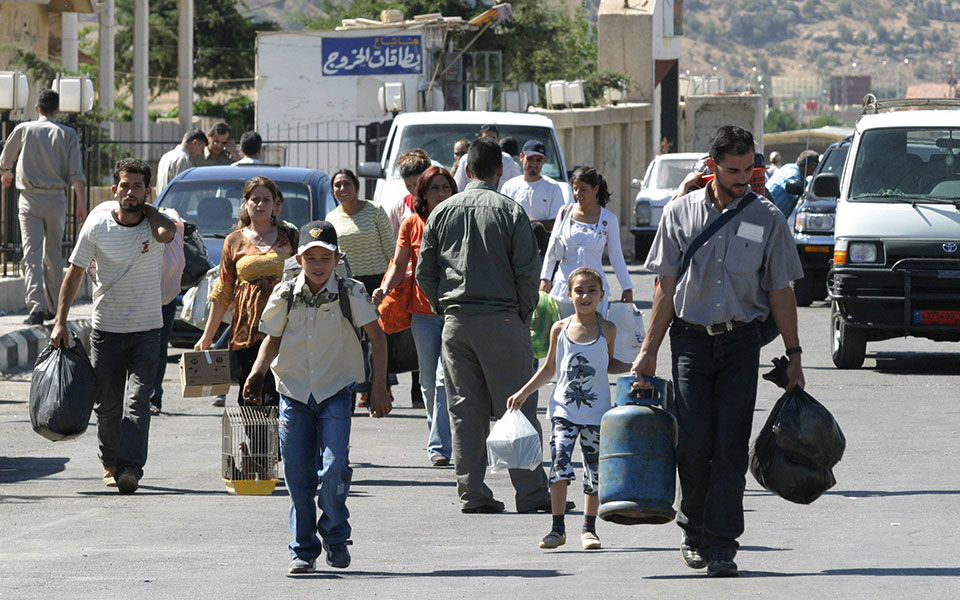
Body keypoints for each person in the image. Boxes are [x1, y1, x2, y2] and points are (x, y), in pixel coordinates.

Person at [632, 125, 805, 578]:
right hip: (688, 342)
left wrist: (796, 356)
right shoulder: (680, 213)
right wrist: (648, 351)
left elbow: (781, 292)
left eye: (749, 169)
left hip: (740, 343)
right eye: (733, 170)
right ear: (712, 167)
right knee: (692, 446)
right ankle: (693, 531)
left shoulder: (768, 218)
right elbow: (665, 289)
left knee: (729, 447)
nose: (742, 177)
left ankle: (723, 544)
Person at [242, 220, 392, 575]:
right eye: (312, 258)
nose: (318, 265)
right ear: (299, 258)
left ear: (338, 258)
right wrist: (257, 371)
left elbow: (379, 338)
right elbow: (272, 338)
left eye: (326, 257)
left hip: (335, 389)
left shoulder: (351, 292)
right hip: (293, 391)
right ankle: (303, 549)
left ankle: (336, 535)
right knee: (297, 475)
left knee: (335, 465)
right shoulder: (285, 294)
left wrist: (379, 387)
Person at [416, 136, 551, 514]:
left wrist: (445, 308)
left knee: (464, 410)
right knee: (518, 405)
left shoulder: (441, 213)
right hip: (503, 320)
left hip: (457, 322)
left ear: (468, 170)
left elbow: (425, 273)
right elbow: (528, 271)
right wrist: (521, 314)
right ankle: (531, 492)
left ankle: (472, 493)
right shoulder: (510, 211)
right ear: (499, 171)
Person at [50, 158, 176, 494]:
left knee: (137, 402)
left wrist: (150, 210)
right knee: (106, 407)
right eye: (125, 185)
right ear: (113, 189)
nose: (130, 191)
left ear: (147, 191)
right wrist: (59, 322)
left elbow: (168, 234)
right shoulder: (97, 225)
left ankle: (131, 469)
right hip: (106, 332)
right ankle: (109, 462)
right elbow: (75, 273)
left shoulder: (155, 224)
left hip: (147, 332)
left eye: (137, 186)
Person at [507, 267, 631, 550]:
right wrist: (524, 392)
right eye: (579, 290)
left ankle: (589, 528)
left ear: (601, 296)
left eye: (592, 291)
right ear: (569, 293)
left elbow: (608, 364)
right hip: (563, 410)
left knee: (594, 471)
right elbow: (550, 368)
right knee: (559, 466)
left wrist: (633, 368)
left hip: (597, 412)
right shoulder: (559, 329)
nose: (585, 296)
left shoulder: (607, 329)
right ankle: (557, 528)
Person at [372, 166, 456, 466]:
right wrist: (384, 288)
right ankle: (441, 439)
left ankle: (440, 445)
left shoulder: (459, 220)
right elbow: (398, 264)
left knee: (445, 379)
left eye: (445, 187)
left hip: (454, 313)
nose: (440, 193)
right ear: (422, 193)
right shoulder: (411, 224)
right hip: (422, 314)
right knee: (429, 381)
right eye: (434, 188)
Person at [195, 176, 298, 410]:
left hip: (285, 330)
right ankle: (256, 446)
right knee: (250, 396)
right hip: (246, 332)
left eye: (266, 200)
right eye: (255, 199)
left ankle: (279, 447)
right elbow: (223, 290)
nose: (260, 205)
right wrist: (208, 336)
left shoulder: (289, 236)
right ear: (245, 203)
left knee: (279, 398)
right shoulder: (234, 241)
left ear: (275, 204)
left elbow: (303, 277)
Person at [0, 89, 87, 325]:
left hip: (29, 198)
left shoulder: (23, 129)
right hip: (57, 198)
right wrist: (81, 203)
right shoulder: (67, 134)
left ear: (36, 109)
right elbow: (76, 172)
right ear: (57, 110)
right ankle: (55, 307)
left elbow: (5, 159)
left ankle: (36, 308)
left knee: (31, 254)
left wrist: (6, 173)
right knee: (54, 255)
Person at [540, 167, 633, 317]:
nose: (578, 194)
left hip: (594, 291)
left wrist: (627, 287)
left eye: (583, 189)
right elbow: (552, 247)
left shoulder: (609, 219)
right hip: (565, 291)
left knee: (594, 334)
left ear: (595, 189)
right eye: (575, 189)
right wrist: (545, 278)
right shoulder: (565, 212)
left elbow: (616, 256)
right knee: (565, 334)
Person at [500, 139, 566, 231]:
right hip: (516, 243)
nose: (534, 163)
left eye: (538, 160)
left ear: (544, 161)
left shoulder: (553, 187)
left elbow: (558, 221)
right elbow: (503, 220)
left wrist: (535, 223)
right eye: (530, 158)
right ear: (521, 157)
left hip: (543, 243)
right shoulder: (509, 187)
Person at [452, 124, 521, 192]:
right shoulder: (466, 159)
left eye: (493, 138)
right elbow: (457, 188)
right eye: (485, 138)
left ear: (499, 140)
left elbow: (517, 186)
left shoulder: (507, 160)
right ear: (479, 139)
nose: (489, 142)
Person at [385, 149, 431, 238]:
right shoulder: (400, 208)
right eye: (408, 185)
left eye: (416, 184)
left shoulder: (438, 201)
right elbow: (394, 239)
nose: (414, 189)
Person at [766, 150, 819, 217]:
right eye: (817, 165)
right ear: (810, 165)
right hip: (766, 215)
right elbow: (792, 185)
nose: (817, 168)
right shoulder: (793, 172)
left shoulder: (801, 177)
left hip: (774, 218)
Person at [155, 128, 207, 194]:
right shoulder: (184, 159)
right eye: (201, 150)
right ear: (195, 143)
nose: (200, 154)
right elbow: (182, 190)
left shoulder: (165, 156)